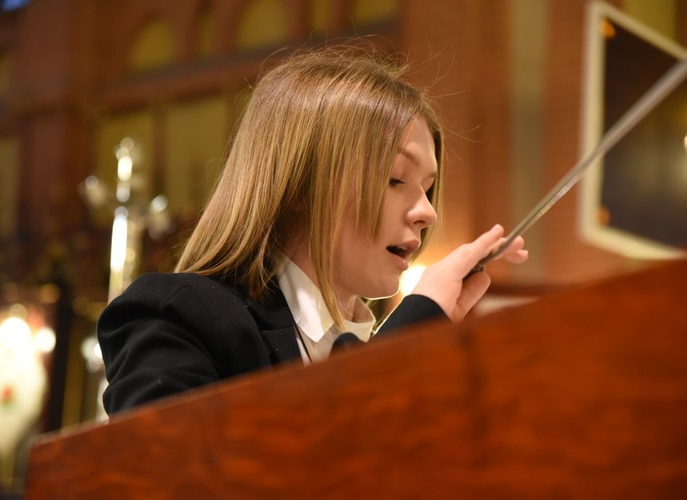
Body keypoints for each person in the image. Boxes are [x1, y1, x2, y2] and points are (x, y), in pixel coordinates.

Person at [97, 44, 528, 415]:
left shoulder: (362, 343)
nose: (427, 213)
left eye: (428, 189)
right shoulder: (178, 317)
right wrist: (404, 343)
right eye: (395, 179)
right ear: (303, 184)